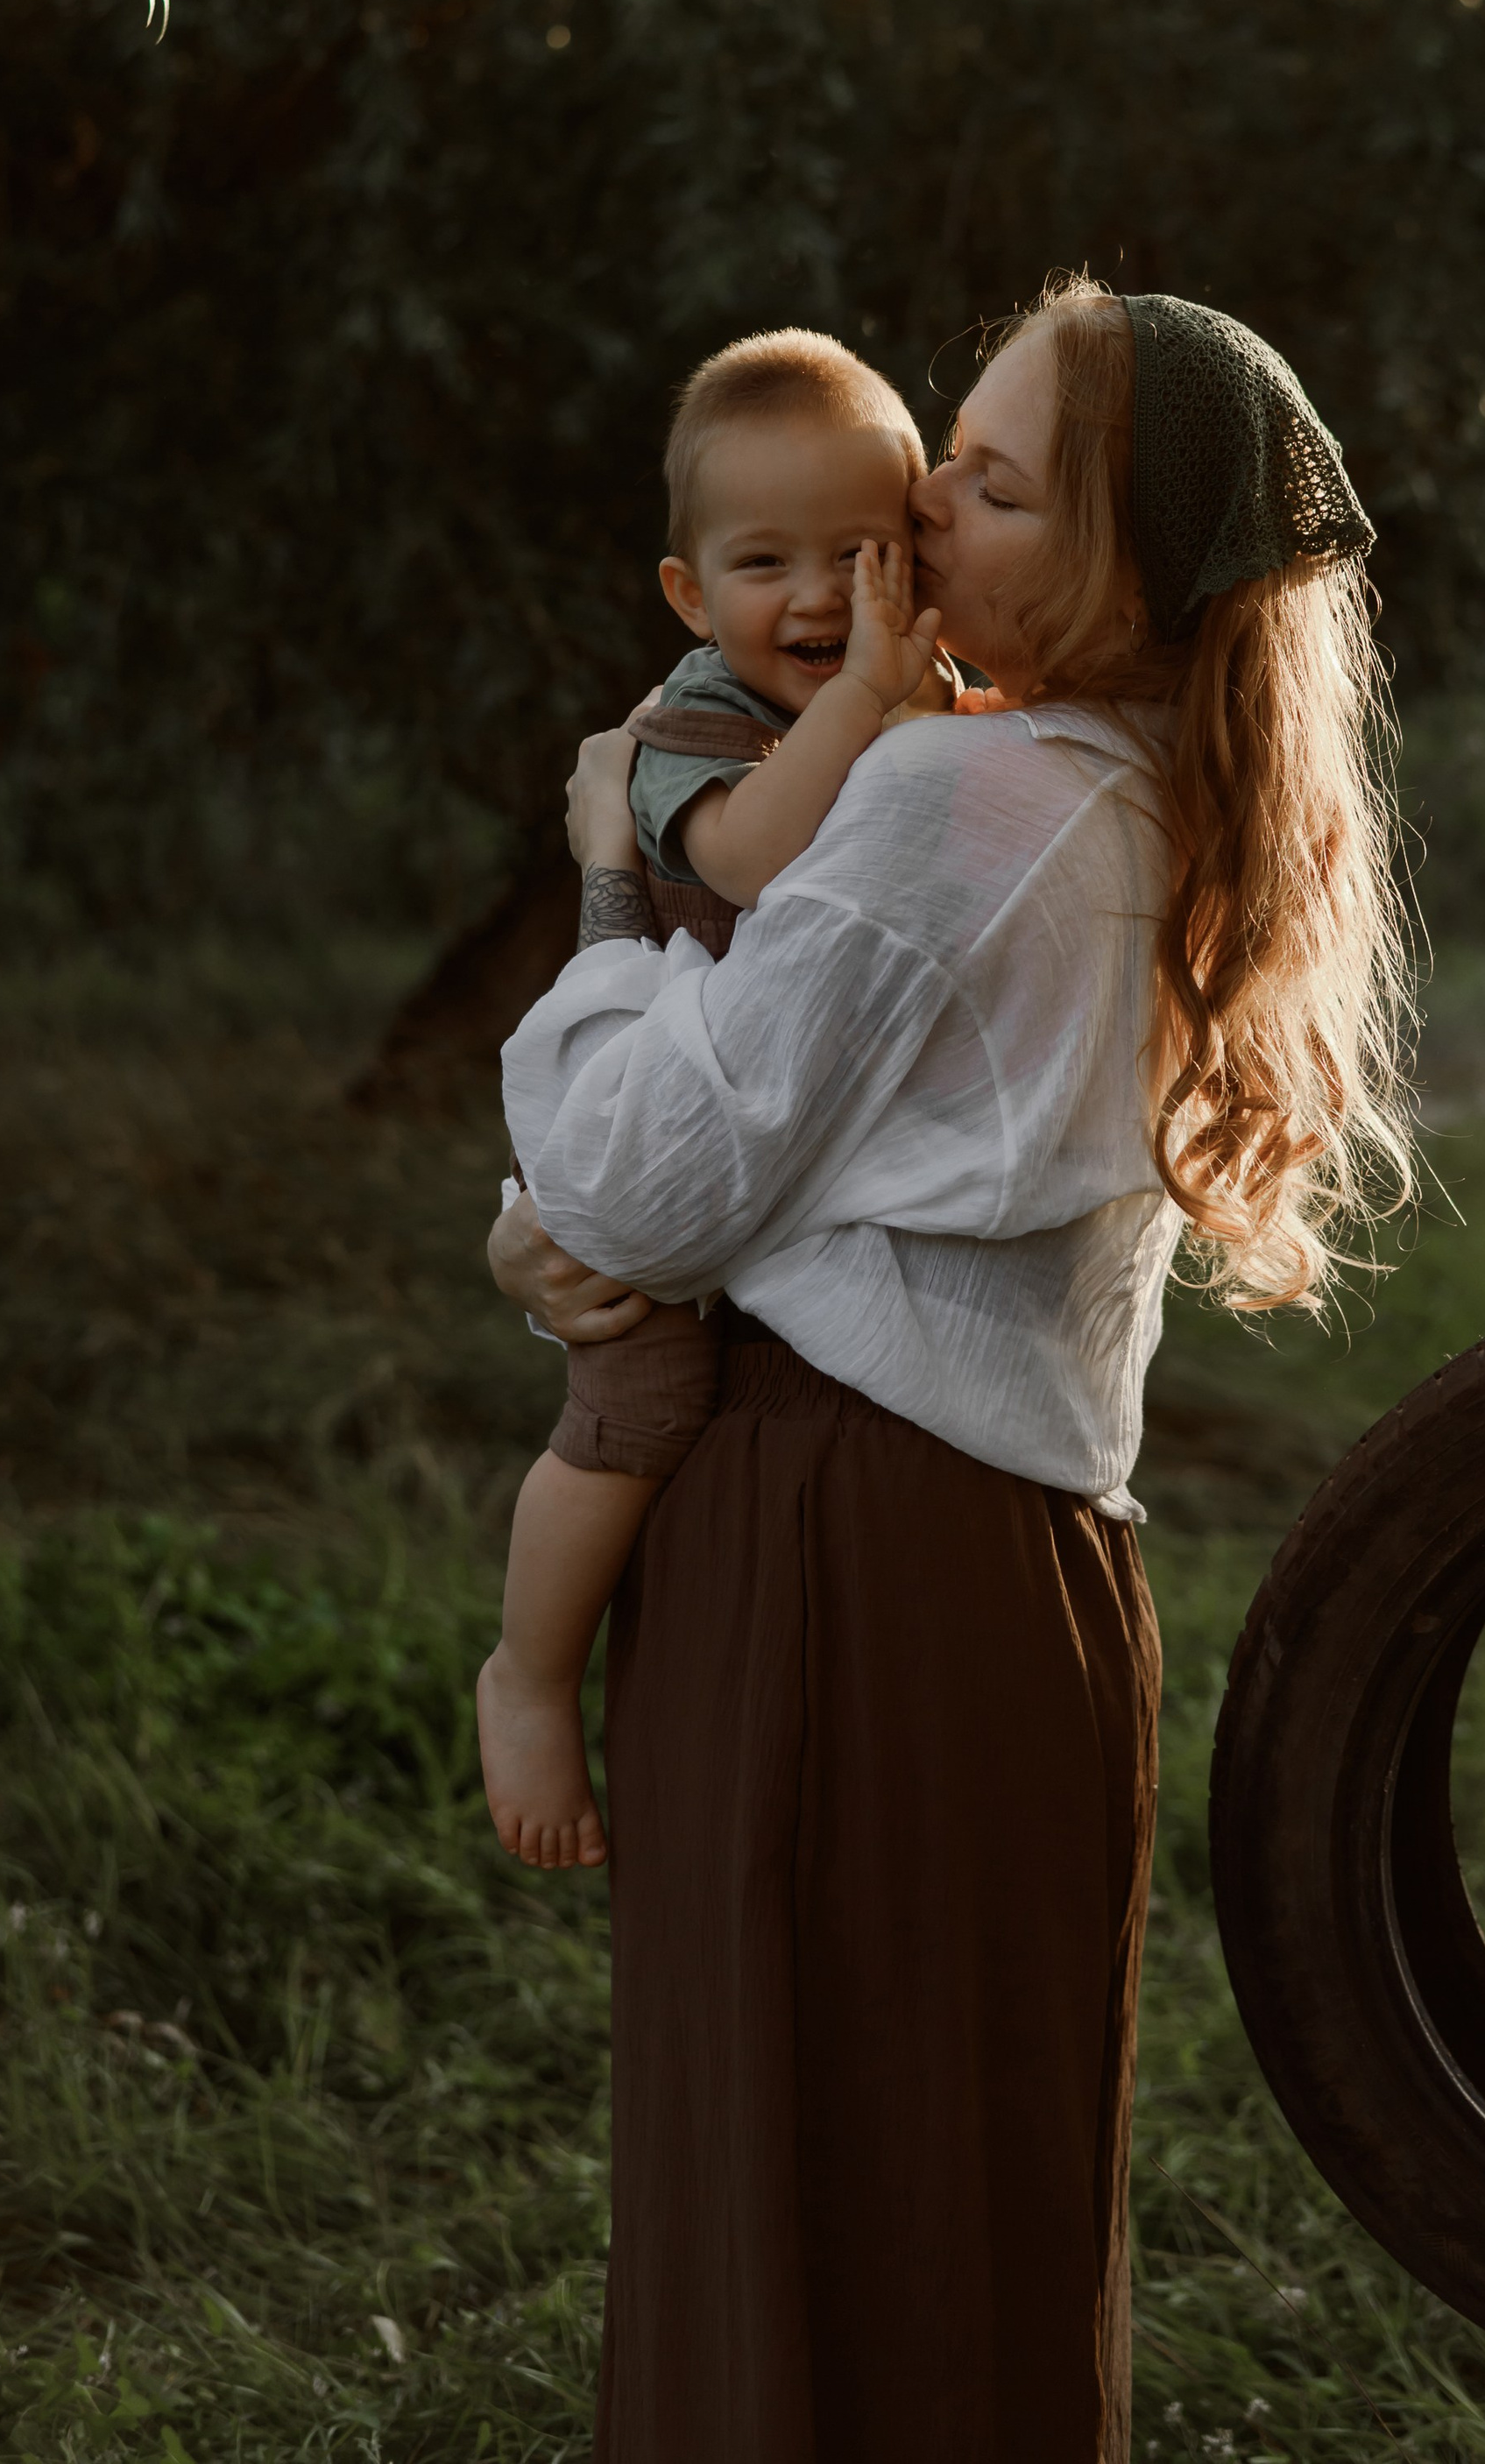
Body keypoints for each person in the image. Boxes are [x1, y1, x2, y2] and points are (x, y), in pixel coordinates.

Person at [486, 278, 1410, 2464]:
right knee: (966, 2239)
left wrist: (609, 884)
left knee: (793, 2230)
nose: (913, 516)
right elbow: (806, 1176)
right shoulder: (1145, 792)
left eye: (983, 486)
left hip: (839, 1562)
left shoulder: (956, 800)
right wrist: (581, 1227)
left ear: (1112, 566)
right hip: (1028, 1578)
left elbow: (635, 1183)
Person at [477, 329, 958, 1871]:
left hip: (772, 1151)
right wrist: (869, 698)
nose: (820, 597)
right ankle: (528, 1675)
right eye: (767, 563)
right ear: (691, 596)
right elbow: (751, 860)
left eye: (862, 556)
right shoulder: (695, 726)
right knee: (639, 1402)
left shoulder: (919, 696)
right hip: (652, 1118)